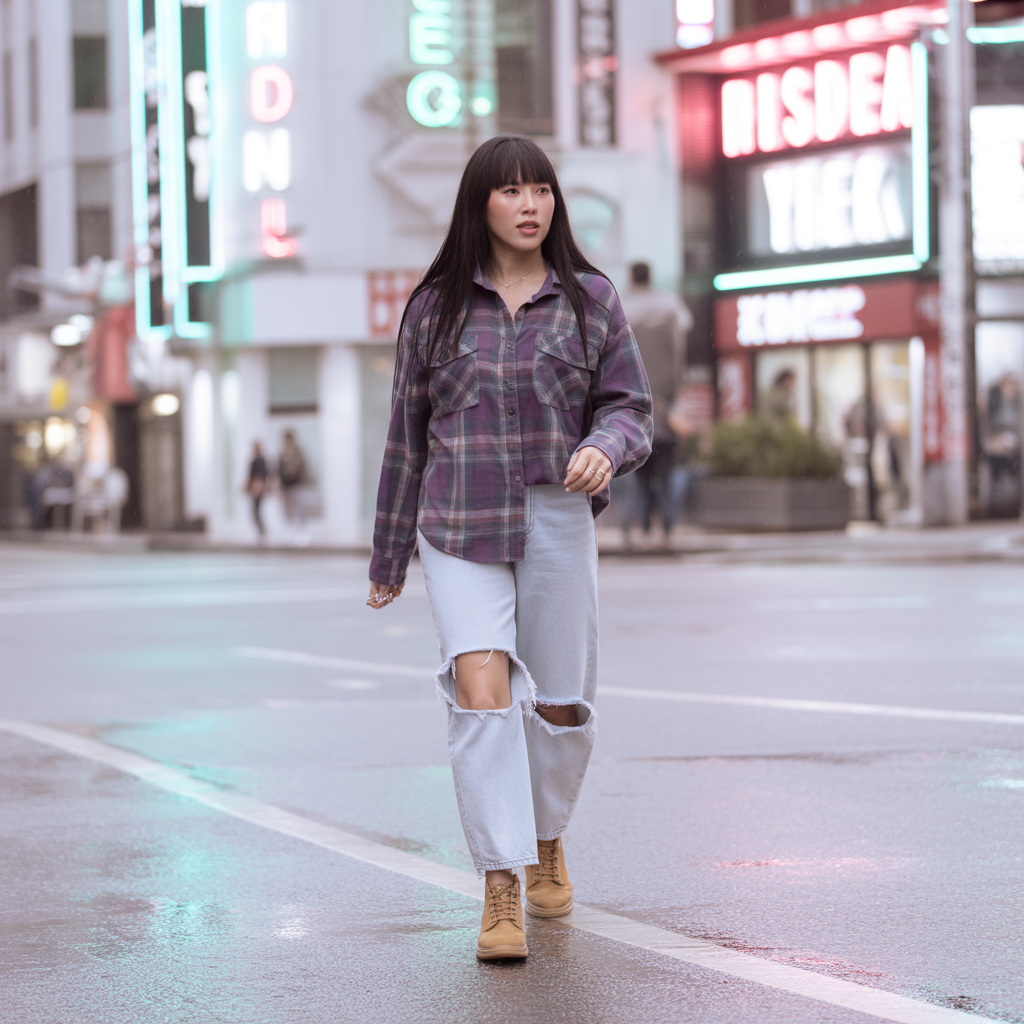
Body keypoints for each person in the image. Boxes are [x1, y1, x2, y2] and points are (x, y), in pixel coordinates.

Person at [367, 134, 653, 961]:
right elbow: (405, 440)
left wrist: (610, 443)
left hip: (556, 515)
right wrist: (389, 555)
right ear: (479, 205)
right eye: (511, 191)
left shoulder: (591, 299)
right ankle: (502, 880)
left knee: (560, 704)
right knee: (482, 691)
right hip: (459, 523)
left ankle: (546, 830)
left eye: (541, 190)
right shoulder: (434, 310)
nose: (529, 204)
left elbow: (632, 404)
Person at [619, 262, 692, 547]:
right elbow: (682, 341)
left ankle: (636, 528)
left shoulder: (622, 307)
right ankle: (667, 528)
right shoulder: (670, 307)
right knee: (665, 478)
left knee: (638, 480)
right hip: (665, 414)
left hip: (634, 414)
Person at [277, 429, 307, 522]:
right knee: (287, 508)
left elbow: (303, 468)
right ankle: (289, 527)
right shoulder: (282, 453)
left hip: (297, 484)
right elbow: (279, 470)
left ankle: (300, 529)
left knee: (298, 507)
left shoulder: (298, 452)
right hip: (286, 485)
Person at [246, 441, 269, 537]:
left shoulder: (259, 460)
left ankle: (262, 531)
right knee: (256, 511)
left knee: (256, 511)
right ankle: (261, 531)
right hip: (256, 488)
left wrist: (259, 486)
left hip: (258, 489)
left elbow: (260, 475)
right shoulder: (257, 460)